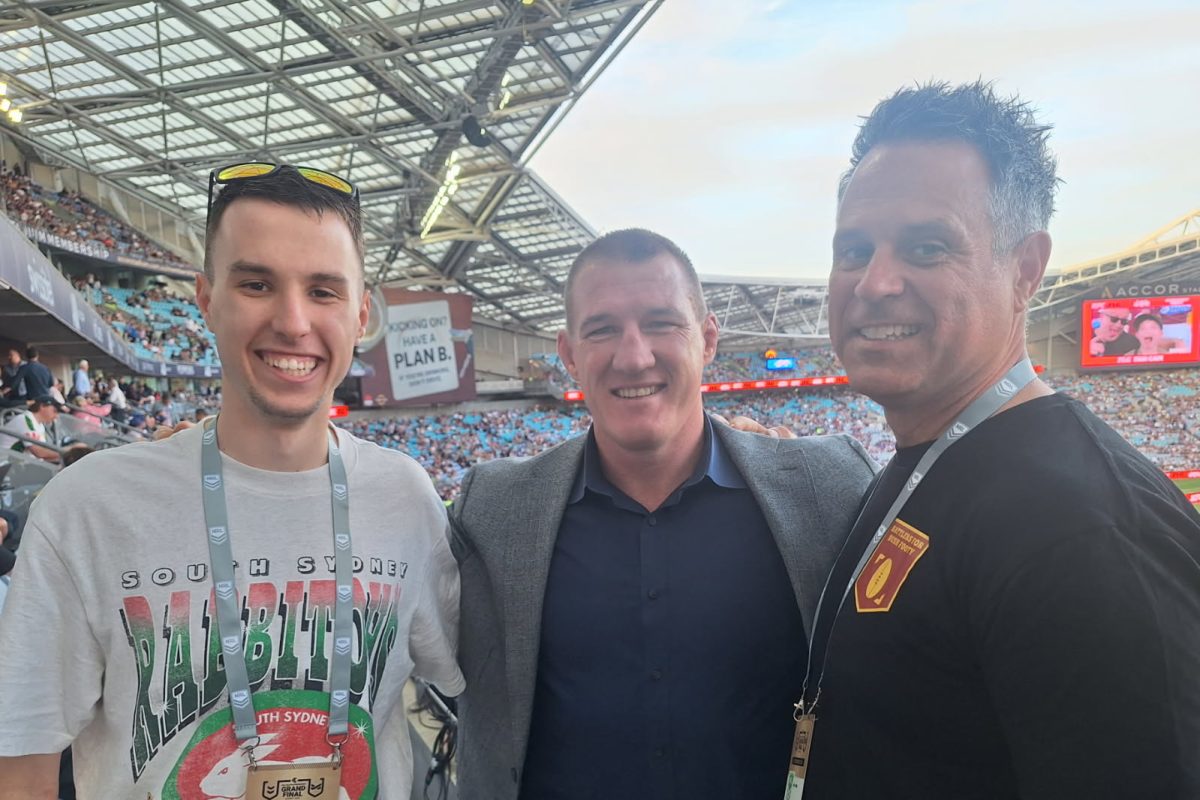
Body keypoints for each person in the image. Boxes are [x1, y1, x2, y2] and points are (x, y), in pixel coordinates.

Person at [0, 164, 464, 799]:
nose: (294, 321)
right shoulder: (89, 507)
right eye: (256, 283)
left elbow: (483, 680)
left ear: (360, 317)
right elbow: (20, 770)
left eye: (324, 291)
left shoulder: (407, 498)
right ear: (206, 299)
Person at [804, 80, 1200, 798]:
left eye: (926, 247)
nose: (875, 282)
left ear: (1024, 270)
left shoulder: (1080, 527)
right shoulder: (926, 459)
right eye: (853, 249)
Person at [449, 228, 876, 799]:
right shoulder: (491, 509)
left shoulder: (828, 487)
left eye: (661, 323)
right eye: (602, 330)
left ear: (708, 339)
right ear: (570, 354)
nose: (634, 356)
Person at [0, 395, 65, 462]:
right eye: (54, 411)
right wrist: (66, 453)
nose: (56, 416)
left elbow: (42, 456)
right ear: (42, 406)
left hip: (18, 465)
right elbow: (38, 452)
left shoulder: (40, 426)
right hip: (5, 464)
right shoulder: (26, 420)